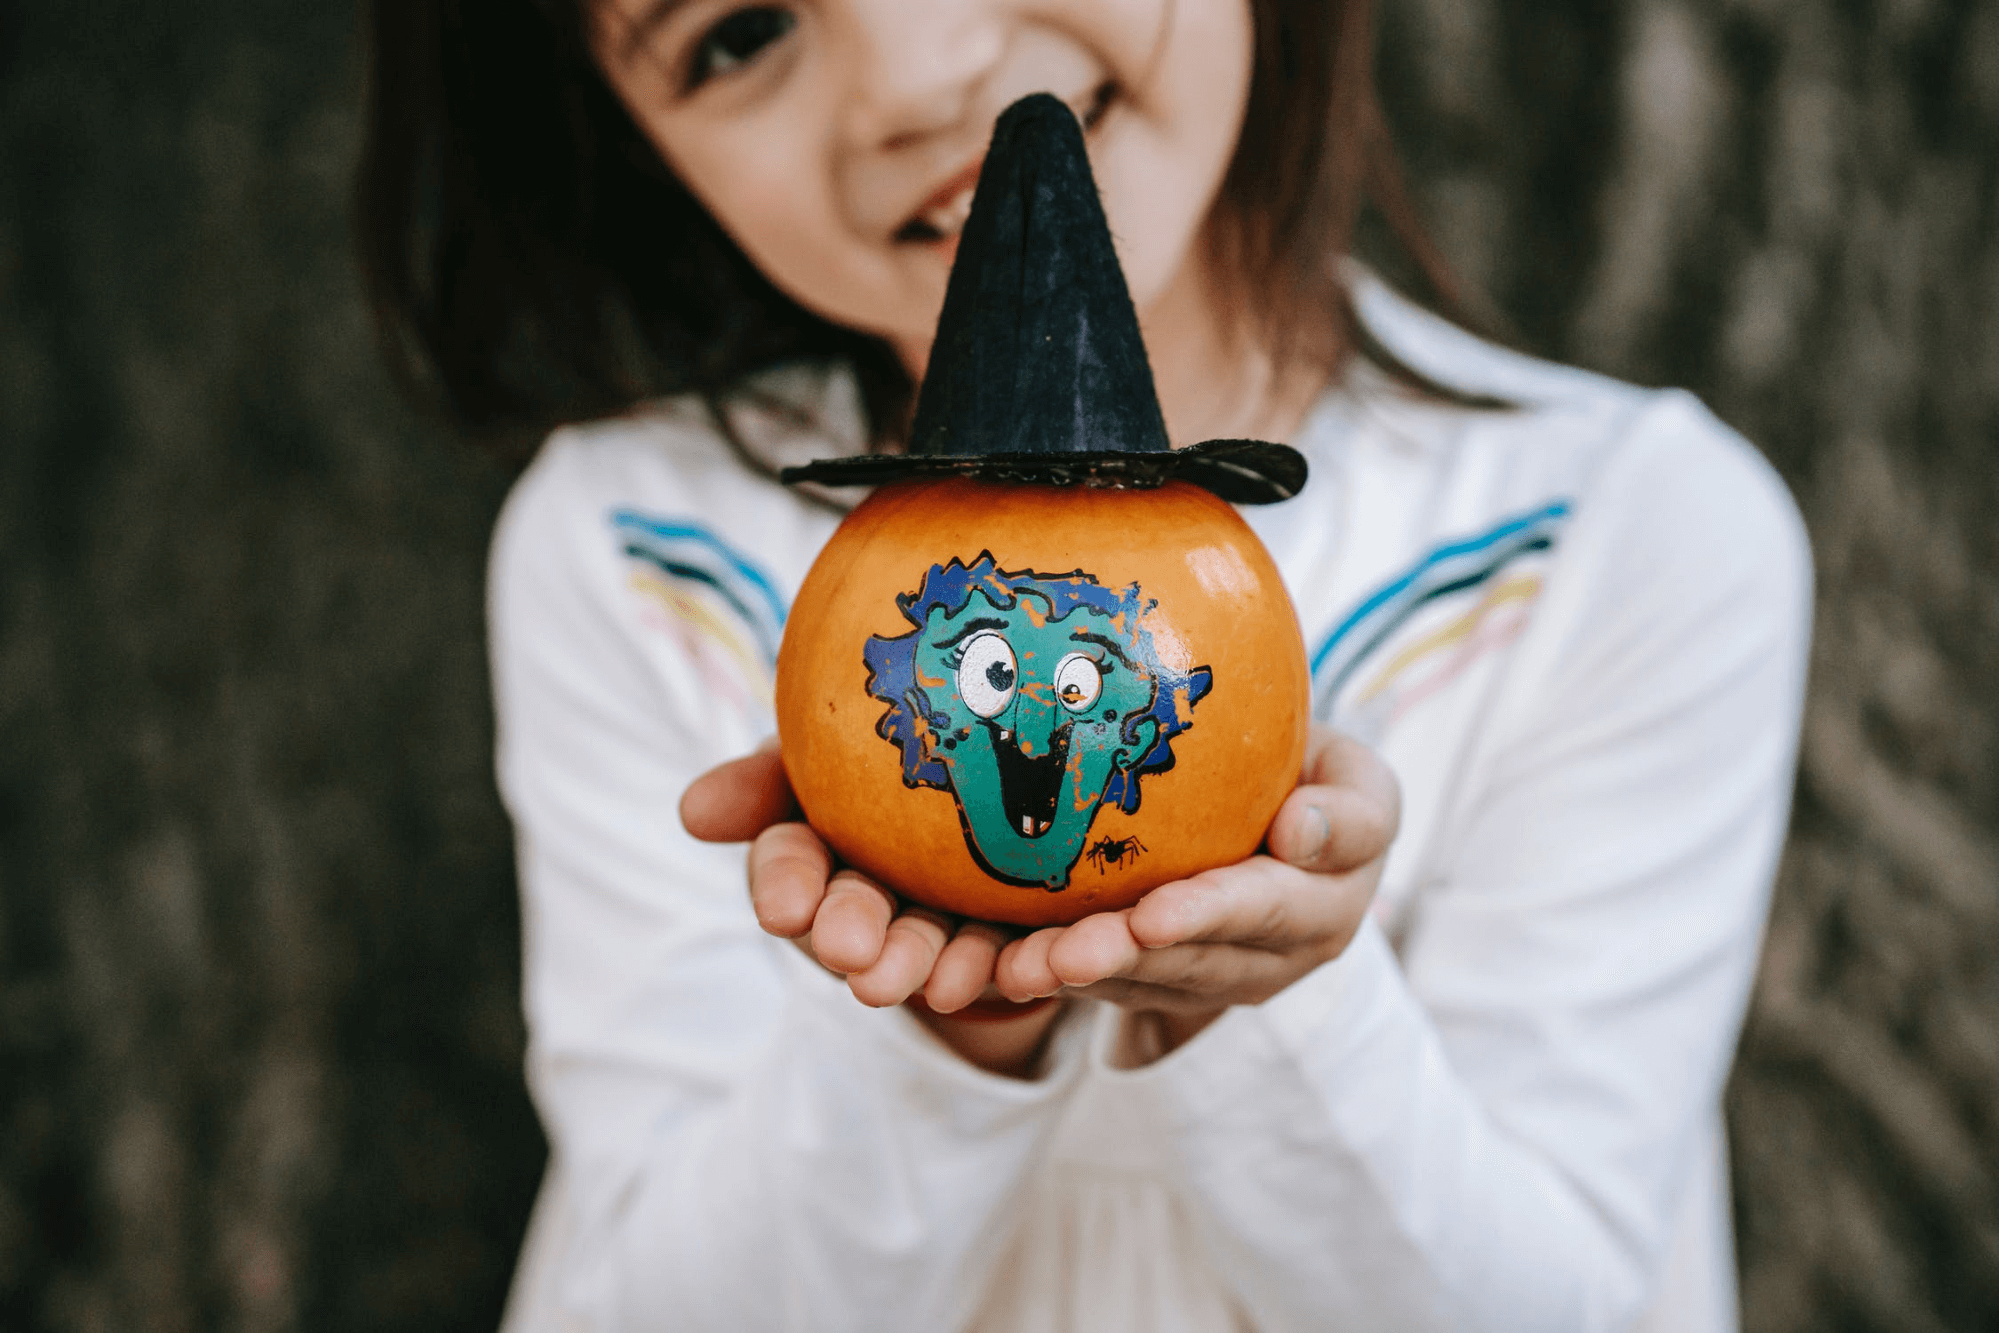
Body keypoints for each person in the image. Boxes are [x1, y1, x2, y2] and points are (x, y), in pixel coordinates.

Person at [356, 1, 1814, 1329]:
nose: (920, 77)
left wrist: (1271, 1004)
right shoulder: (634, 552)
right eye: (737, 32)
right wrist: (935, 1048)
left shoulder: (1622, 541)